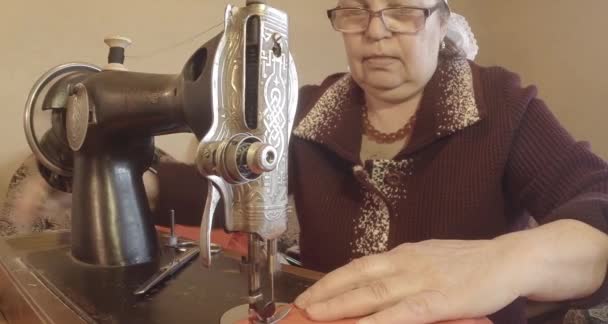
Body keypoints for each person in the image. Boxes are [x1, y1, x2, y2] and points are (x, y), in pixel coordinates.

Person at [285, 0, 608, 324]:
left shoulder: (504, 108)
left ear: (441, 24)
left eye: (400, 10)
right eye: (356, 11)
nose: (375, 30)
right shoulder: (299, 111)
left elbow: (598, 201)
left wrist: (501, 260)